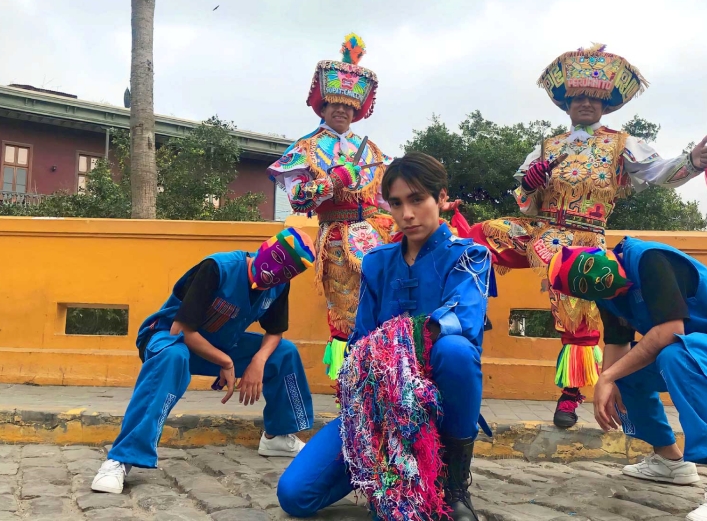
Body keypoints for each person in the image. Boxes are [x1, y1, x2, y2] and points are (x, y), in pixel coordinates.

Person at [460, 43, 707, 428]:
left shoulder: (620, 144)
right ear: (566, 104)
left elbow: (659, 172)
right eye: (578, 97)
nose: (585, 104)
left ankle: (570, 394)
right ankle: (471, 312)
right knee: (481, 235)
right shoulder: (548, 146)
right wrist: (528, 187)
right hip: (541, 229)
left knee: (574, 301)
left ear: (606, 105)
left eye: (594, 99)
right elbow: (526, 203)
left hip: (584, 238)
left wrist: (691, 162)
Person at [276, 152, 492, 521]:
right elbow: (361, 340)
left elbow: (464, 323)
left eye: (417, 200)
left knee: (456, 350)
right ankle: (376, 467)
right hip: (378, 408)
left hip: (435, 403)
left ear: (441, 198)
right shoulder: (377, 261)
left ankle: (452, 480)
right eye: (396, 203)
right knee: (294, 496)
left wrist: (395, 344)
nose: (407, 214)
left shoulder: (470, 257)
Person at [546, 239, 707, 521]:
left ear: (600, 254)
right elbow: (618, 343)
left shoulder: (649, 260)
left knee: (675, 355)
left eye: (590, 267)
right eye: (584, 286)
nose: (593, 280)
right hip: (704, 353)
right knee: (626, 371)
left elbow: (670, 331)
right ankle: (670, 461)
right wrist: (608, 381)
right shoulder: (607, 295)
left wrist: (608, 375)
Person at [91, 228, 317, 494]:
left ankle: (278, 436)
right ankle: (120, 458)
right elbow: (182, 330)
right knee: (173, 357)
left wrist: (258, 359)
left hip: (222, 343)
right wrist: (227, 362)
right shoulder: (217, 268)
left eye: (289, 272)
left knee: (284, 352)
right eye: (279, 261)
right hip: (169, 337)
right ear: (267, 248)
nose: (279, 273)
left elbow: (275, 331)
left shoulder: (278, 287)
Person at [267, 33, 394, 382]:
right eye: (335, 103)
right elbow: (299, 199)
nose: (342, 109)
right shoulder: (307, 148)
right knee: (344, 311)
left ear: (357, 110)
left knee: (384, 306)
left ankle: (379, 375)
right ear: (322, 106)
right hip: (337, 238)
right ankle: (348, 381)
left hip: (378, 234)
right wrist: (333, 181)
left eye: (348, 105)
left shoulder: (371, 150)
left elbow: (386, 198)